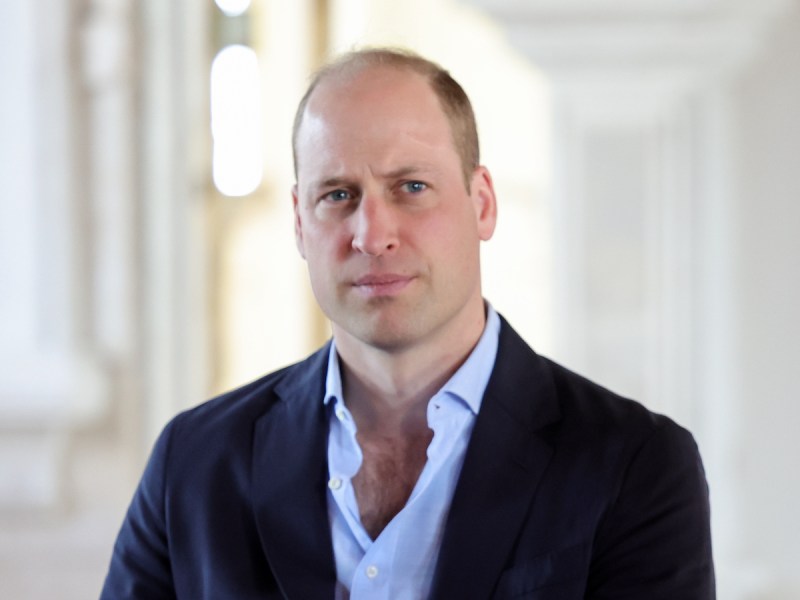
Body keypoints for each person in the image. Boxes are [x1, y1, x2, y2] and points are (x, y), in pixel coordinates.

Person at [101, 48, 715, 599]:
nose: (373, 235)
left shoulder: (635, 466)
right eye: (337, 195)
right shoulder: (194, 462)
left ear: (482, 204)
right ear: (298, 222)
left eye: (411, 187)